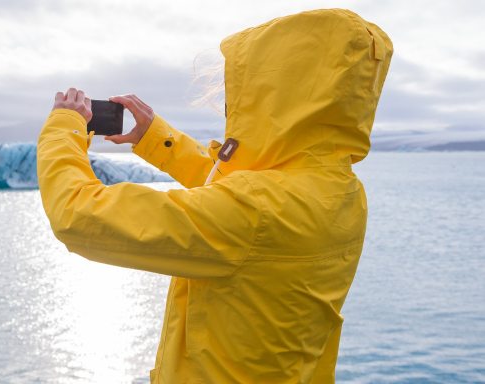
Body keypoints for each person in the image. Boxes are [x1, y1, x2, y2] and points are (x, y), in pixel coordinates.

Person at [37, 8, 392, 384]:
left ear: (278, 93)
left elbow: (78, 216)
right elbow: (241, 194)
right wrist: (158, 139)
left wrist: (64, 127)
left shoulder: (256, 207)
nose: (230, 103)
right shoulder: (341, 190)